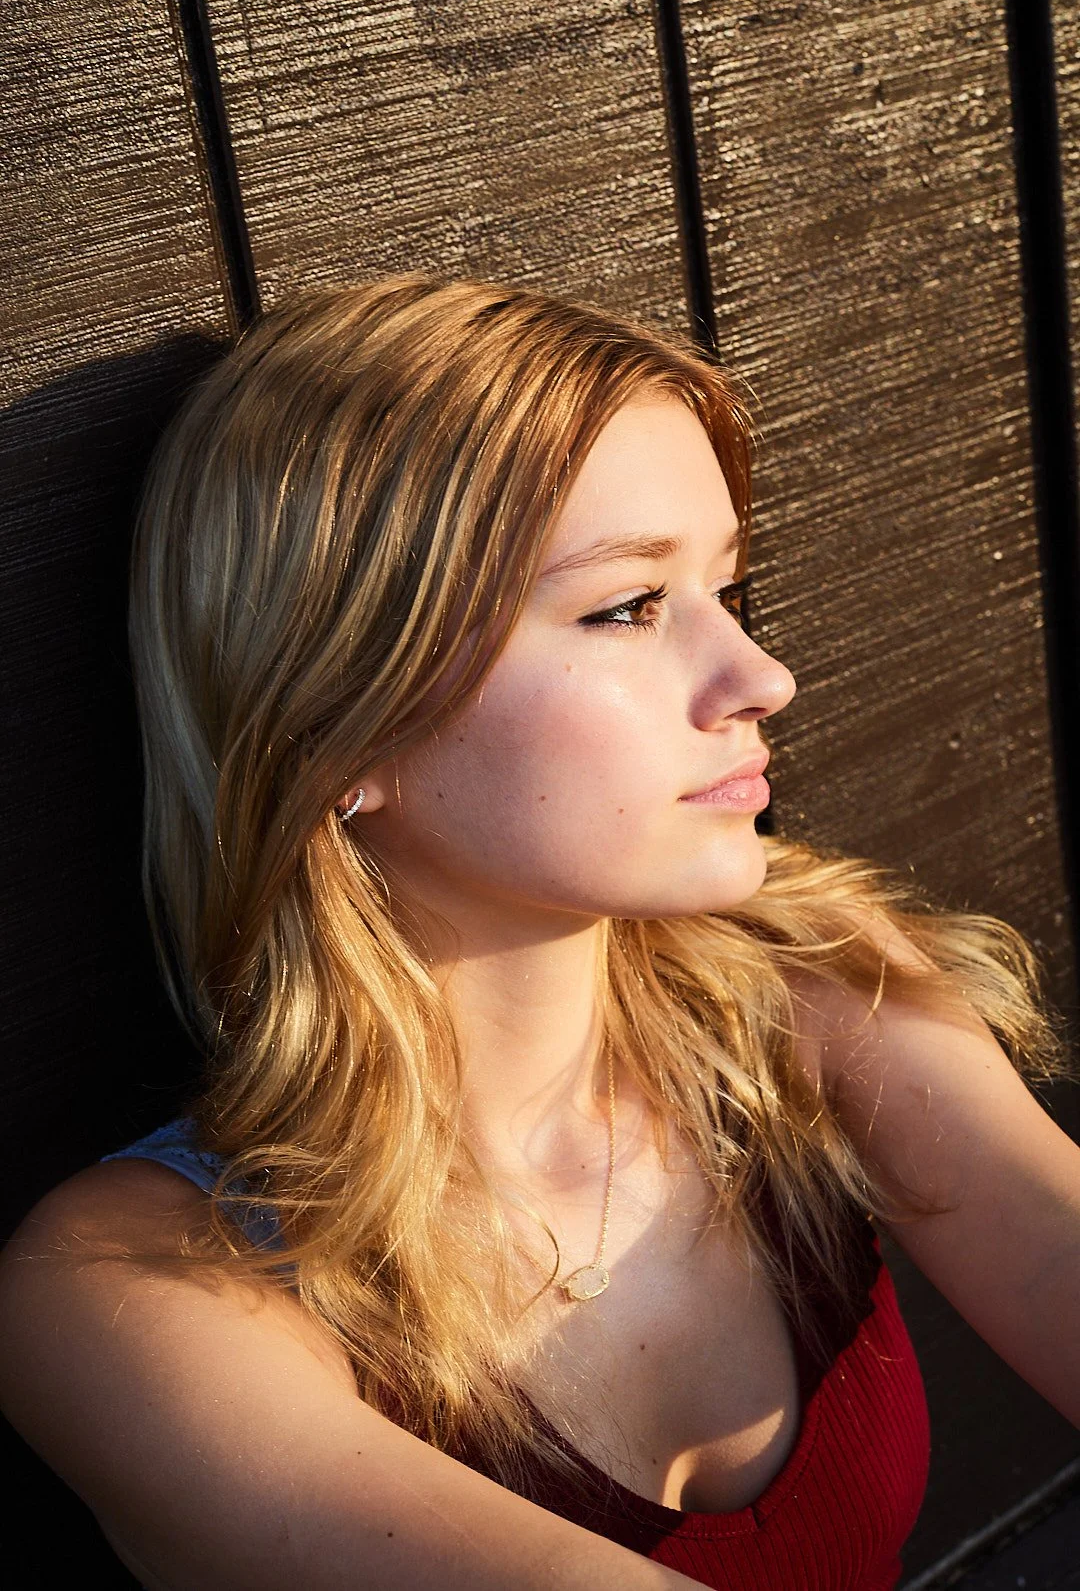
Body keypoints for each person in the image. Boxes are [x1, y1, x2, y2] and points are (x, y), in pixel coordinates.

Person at [1, 273, 1077, 1591]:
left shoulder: (812, 996)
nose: (762, 676)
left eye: (728, 587)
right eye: (626, 607)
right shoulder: (132, 1288)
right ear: (341, 721)